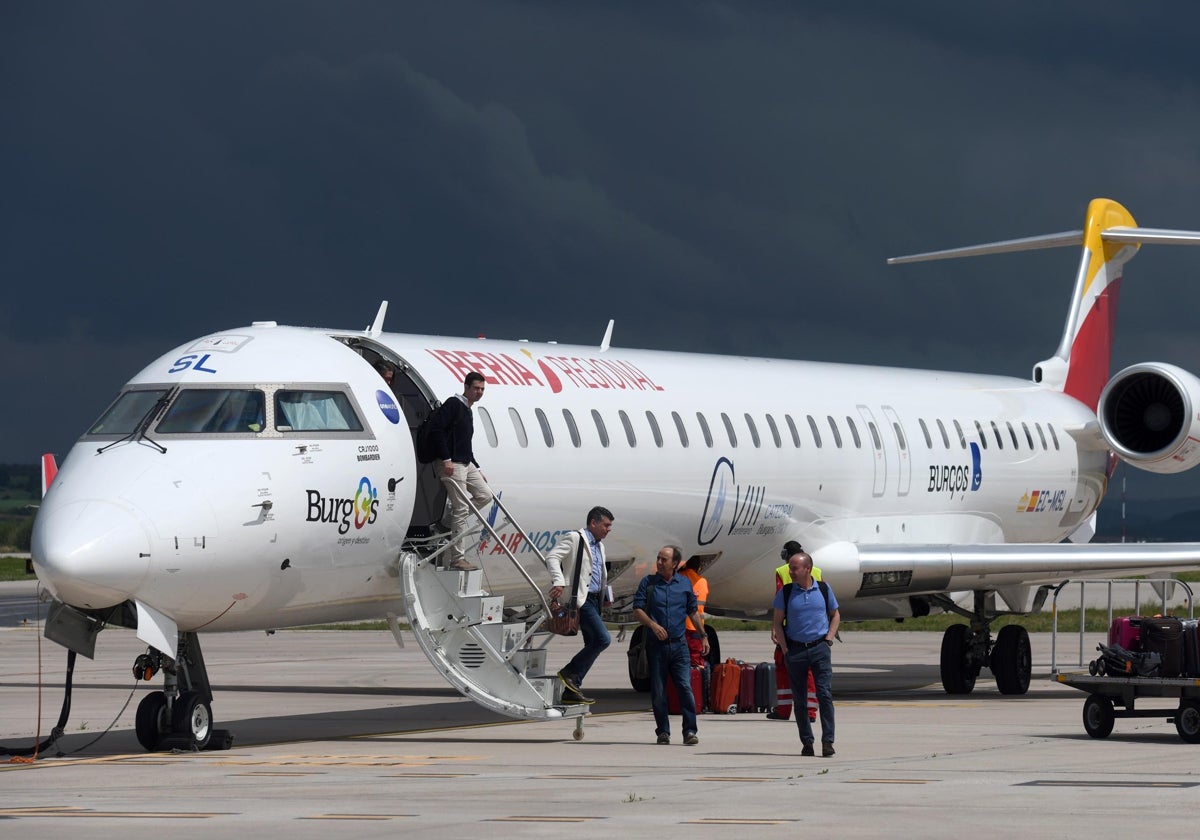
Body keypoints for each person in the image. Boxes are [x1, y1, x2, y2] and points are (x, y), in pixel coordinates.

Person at [633, 546, 708, 745]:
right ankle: (663, 732)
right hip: (656, 647)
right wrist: (652, 625)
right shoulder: (648, 583)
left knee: (685, 687)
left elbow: (693, 611)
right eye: (658, 558)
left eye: (663, 559)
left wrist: (703, 636)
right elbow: (637, 609)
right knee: (658, 691)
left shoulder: (684, 584)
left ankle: (690, 731)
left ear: (675, 564)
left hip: (679, 646)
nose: (659, 562)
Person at [772, 549, 840, 757]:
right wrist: (785, 648)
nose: (790, 572)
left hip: (819, 648)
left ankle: (828, 741)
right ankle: (807, 742)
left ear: (807, 569)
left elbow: (835, 614)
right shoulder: (785, 592)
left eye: (794, 568)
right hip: (796, 650)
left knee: (824, 695)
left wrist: (829, 638)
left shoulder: (823, 588)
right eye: (790, 568)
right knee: (799, 700)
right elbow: (777, 622)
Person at [545, 506, 615, 704]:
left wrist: (605, 594)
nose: (609, 529)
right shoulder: (575, 538)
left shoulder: (599, 545)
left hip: (595, 600)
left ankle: (572, 689)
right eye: (606, 525)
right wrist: (558, 580)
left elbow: (596, 574)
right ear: (593, 523)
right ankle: (569, 673)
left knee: (592, 644)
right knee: (602, 640)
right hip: (581, 601)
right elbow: (552, 557)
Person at [427, 371, 491, 572]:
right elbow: (436, 430)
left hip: (465, 462)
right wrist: (445, 459)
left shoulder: (468, 410)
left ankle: (446, 523)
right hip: (451, 463)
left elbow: (465, 444)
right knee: (462, 508)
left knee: (485, 495)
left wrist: (477, 468)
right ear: (467, 387)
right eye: (476, 388)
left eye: (482, 389)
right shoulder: (453, 405)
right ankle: (457, 558)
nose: (479, 392)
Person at [767, 540, 822, 721]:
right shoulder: (817, 572)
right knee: (810, 671)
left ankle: (783, 711)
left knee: (783, 666)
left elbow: (780, 599)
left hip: (791, 627)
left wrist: (776, 627)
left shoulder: (782, 571)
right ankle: (811, 712)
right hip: (813, 628)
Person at [675, 556, 708, 669]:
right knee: (696, 658)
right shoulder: (702, 581)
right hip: (697, 626)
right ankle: (697, 682)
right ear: (698, 567)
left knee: (678, 658)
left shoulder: (679, 577)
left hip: (681, 625)